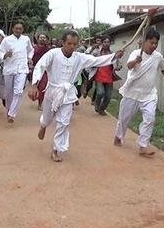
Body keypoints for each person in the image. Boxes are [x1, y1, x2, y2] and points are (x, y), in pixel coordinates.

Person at [29, 29, 124, 162]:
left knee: (64, 122)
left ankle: (56, 149)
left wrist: (114, 56)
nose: (72, 47)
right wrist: (34, 85)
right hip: (52, 91)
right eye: (69, 44)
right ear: (63, 42)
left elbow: (96, 61)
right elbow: (40, 67)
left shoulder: (80, 57)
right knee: (47, 118)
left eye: (75, 44)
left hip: (68, 93)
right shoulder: (53, 53)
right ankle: (43, 125)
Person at [113, 28, 164, 157]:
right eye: (151, 42)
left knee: (150, 118)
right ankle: (118, 135)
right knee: (124, 118)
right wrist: (136, 61)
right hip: (132, 92)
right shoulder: (136, 53)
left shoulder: (158, 57)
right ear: (144, 41)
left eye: (156, 43)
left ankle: (143, 146)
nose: (154, 45)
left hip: (149, 94)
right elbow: (129, 66)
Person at [0, 21, 34, 123]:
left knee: (18, 91)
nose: (18, 30)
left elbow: (30, 50)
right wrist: (5, 55)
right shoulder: (6, 40)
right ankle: (8, 110)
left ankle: (12, 114)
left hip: (22, 68)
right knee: (9, 92)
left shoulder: (26, 39)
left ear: (22, 30)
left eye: (20, 29)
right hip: (9, 69)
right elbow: (0, 52)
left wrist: (29, 58)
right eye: (16, 28)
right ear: (13, 29)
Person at [93, 36, 115, 116]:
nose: (106, 44)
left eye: (108, 42)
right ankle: (97, 104)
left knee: (108, 96)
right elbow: (91, 61)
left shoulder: (112, 54)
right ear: (102, 43)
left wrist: (118, 67)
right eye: (105, 42)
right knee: (100, 93)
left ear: (110, 43)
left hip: (109, 77)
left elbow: (117, 64)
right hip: (99, 76)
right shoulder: (96, 52)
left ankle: (102, 109)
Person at [28, 33, 50, 110]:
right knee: (35, 86)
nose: (42, 39)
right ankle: (34, 96)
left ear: (46, 39)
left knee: (43, 87)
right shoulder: (33, 48)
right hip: (35, 70)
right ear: (38, 39)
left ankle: (40, 104)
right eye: (41, 37)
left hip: (45, 70)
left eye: (44, 37)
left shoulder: (49, 50)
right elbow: (30, 58)